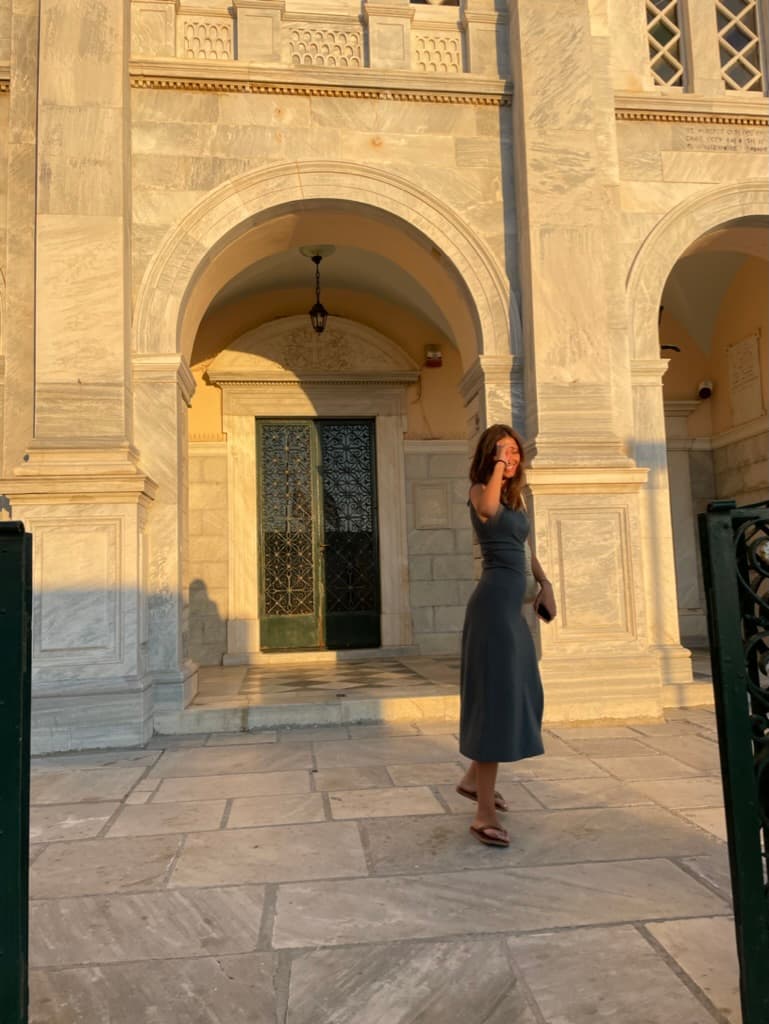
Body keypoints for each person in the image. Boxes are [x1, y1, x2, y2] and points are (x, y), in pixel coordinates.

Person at [456, 424, 556, 847]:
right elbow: (488, 510)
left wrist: (545, 584)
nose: (511, 457)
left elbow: (524, 550)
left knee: (522, 691)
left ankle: (471, 780)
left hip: (510, 612)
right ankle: (483, 814)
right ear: (490, 455)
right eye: (503, 451)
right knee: (496, 703)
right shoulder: (482, 490)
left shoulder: (516, 498)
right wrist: (497, 465)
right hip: (492, 609)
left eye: (515, 451)